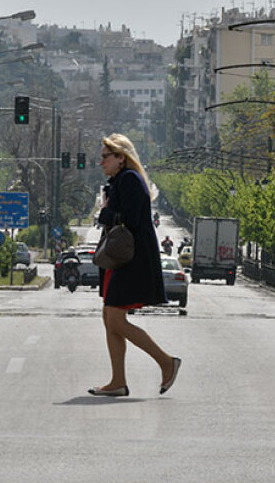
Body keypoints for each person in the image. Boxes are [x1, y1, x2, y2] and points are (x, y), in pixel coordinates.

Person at [89, 133, 181, 397]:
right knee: (110, 317)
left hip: (132, 259)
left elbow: (128, 219)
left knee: (115, 319)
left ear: (121, 157)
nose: (100, 162)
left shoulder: (129, 180)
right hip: (123, 259)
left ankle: (166, 362)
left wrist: (104, 212)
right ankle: (117, 381)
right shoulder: (121, 180)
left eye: (105, 157)